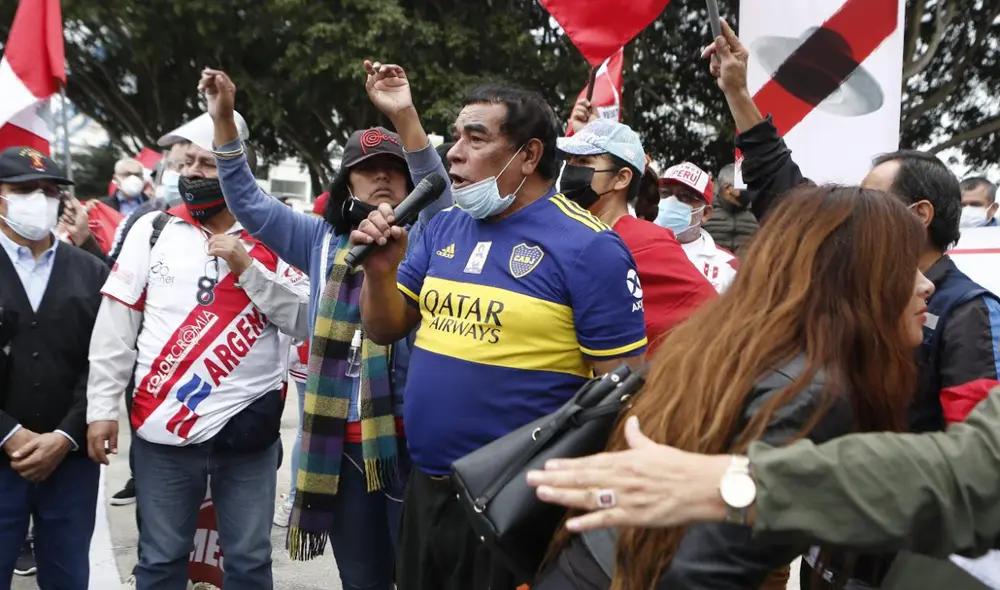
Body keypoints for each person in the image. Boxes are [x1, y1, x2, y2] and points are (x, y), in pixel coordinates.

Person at [531, 185, 933, 590]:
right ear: (853, 277)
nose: (926, 284)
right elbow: (706, 574)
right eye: (905, 266)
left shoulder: (725, 341)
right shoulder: (816, 394)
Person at [350, 61, 649, 590]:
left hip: (516, 505)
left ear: (529, 154)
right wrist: (379, 271)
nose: (454, 152)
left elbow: (620, 398)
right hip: (428, 490)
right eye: (456, 137)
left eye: (475, 137)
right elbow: (384, 328)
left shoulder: (591, 247)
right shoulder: (442, 225)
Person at [205, 62, 451, 590]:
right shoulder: (318, 239)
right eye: (369, 168)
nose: (383, 176)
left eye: (394, 167)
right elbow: (246, 201)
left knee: (419, 576)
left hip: (410, 443)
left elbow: (442, 191)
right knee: (361, 579)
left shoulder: (432, 234)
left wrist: (404, 113)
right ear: (347, 181)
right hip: (339, 449)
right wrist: (224, 123)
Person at [86, 110, 308, 590]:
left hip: (248, 437)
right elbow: (116, 327)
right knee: (161, 559)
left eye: (207, 164)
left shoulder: (278, 232)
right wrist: (101, 407)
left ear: (237, 166)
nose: (192, 175)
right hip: (163, 432)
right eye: (186, 164)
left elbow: (305, 319)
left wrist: (249, 269)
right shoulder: (152, 230)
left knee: (248, 561)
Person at [0, 147, 109, 588]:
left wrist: (64, 436)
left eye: (49, 191)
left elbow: (105, 363)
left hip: (70, 459)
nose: (40, 200)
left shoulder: (90, 271)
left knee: (67, 575)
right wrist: (9, 433)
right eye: (24, 190)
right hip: (2, 455)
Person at [555, 119, 716, 347]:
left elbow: (713, 312)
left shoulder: (649, 242)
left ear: (622, 178)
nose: (571, 170)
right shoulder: (560, 232)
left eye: (583, 161)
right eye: (569, 160)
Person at [656, 162, 738, 293]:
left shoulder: (728, 267)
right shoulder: (634, 248)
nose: (671, 201)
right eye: (665, 193)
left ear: (705, 213)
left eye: (685, 197)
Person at [702, 163, 759, 253]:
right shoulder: (704, 213)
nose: (748, 193)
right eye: (743, 188)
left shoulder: (757, 213)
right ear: (728, 188)